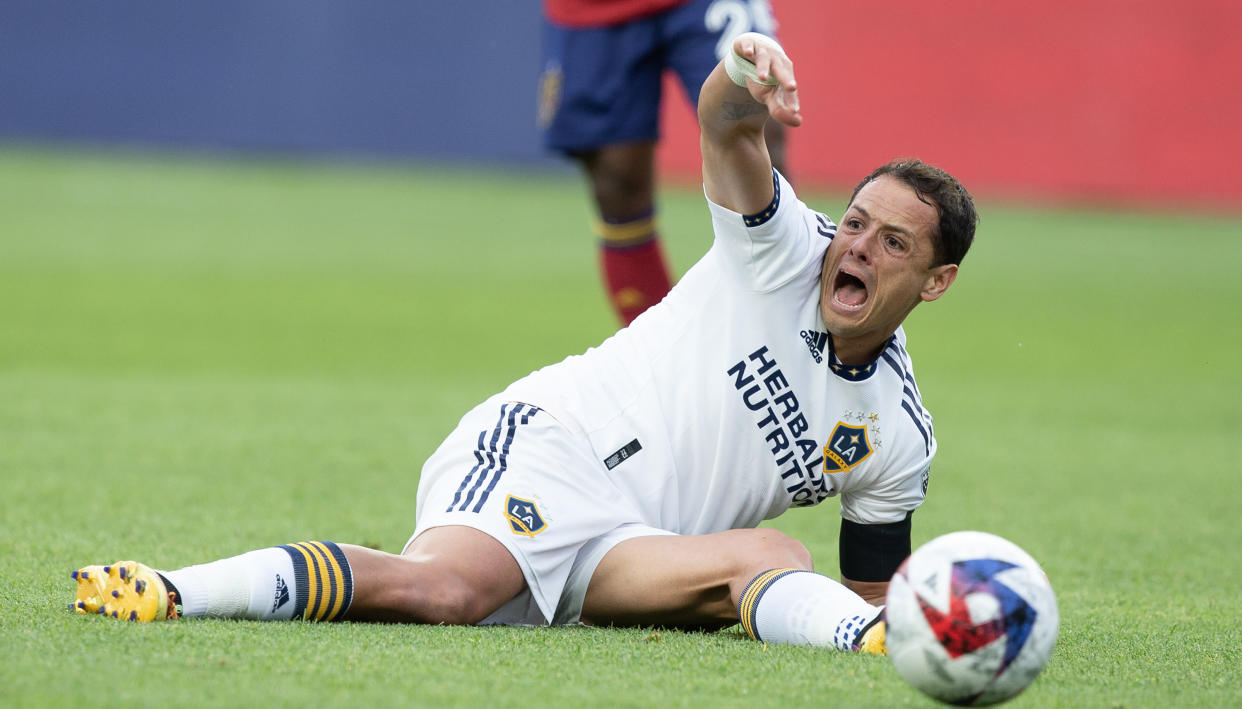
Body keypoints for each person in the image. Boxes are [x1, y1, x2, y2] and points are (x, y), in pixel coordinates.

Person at [70, 33, 976, 655]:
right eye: (857, 221)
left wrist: (903, 633)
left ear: (935, 281)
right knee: (444, 596)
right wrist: (742, 76)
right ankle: (168, 587)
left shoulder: (895, 436)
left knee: (781, 559)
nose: (855, 246)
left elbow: (866, 595)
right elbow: (727, 128)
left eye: (893, 243)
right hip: (552, 444)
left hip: (634, 547)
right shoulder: (785, 248)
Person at [538, 0, 789, 325]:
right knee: (617, 179)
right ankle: (665, 359)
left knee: (755, 127)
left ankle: (785, 330)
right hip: (594, 10)